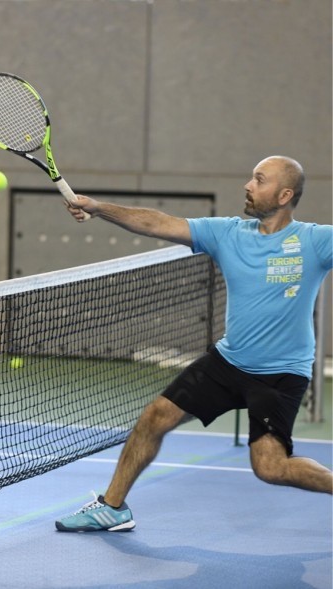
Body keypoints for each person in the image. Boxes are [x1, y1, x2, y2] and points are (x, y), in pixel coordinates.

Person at [55, 155, 333, 532]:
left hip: (280, 374)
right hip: (229, 362)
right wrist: (98, 208)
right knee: (155, 417)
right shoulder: (227, 233)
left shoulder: (315, 242)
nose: (248, 186)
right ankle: (112, 507)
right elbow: (157, 222)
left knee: (271, 467)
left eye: (259, 180)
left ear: (284, 195)